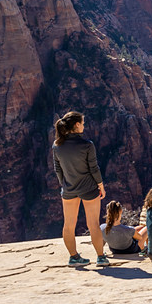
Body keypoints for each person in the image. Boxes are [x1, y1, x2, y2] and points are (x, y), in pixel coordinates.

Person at [52, 111, 108, 267]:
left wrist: (65, 184)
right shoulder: (87, 145)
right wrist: (101, 185)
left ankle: (74, 258)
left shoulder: (57, 145)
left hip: (69, 190)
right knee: (93, 225)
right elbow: (94, 168)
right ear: (76, 125)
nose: (84, 125)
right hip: (89, 189)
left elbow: (58, 169)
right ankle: (101, 257)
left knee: (68, 225)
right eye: (82, 123)